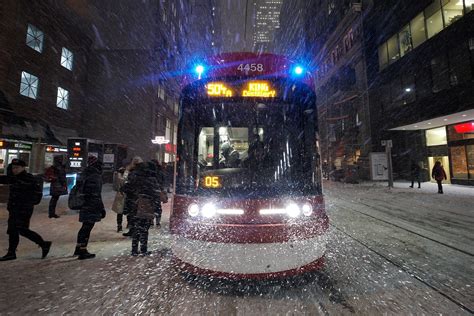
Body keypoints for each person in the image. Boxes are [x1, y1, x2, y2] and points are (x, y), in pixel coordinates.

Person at [0, 160, 52, 261]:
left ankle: (43, 244)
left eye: (17, 168)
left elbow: (37, 194)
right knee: (13, 230)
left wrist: (28, 203)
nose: (15, 170)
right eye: (13, 168)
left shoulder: (28, 179)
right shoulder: (14, 178)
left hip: (24, 209)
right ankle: (11, 253)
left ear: (23, 168)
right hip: (14, 208)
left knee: (21, 229)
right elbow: (4, 179)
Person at [122, 162, 160, 256]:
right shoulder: (150, 180)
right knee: (144, 229)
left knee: (136, 228)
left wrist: (133, 197)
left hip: (134, 206)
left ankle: (134, 250)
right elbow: (155, 194)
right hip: (146, 207)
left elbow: (124, 188)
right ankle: (143, 249)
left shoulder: (133, 178)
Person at [73, 156, 106, 260]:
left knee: (84, 226)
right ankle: (83, 250)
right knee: (87, 227)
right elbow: (95, 194)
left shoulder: (85, 173)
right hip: (91, 204)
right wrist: (101, 207)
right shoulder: (94, 176)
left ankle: (79, 248)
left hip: (85, 203)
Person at [121, 156, 143, 237]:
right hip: (137, 196)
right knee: (134, 215)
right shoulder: (141, 172)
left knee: (132, 215)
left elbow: (126, 181)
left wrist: (124, 188)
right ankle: (134, 231)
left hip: (133, 196)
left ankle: (133, 231)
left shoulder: (133, 172)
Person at [151, 159, 165, 227]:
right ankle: (158, 222)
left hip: (152, 192)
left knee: (151, 206)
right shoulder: (160, 172)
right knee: (158, 207)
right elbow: (163, 182)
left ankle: (151, 221)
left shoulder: (151, 172)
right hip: (158, 191)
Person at [112, 167, 126, 232]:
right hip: (125, 195)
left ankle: (119, 225)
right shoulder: (125, 177)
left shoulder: (116, 176)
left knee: (120, 212)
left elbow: (114, 187)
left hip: (120, 195)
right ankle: (128, 224)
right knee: (126, 211)